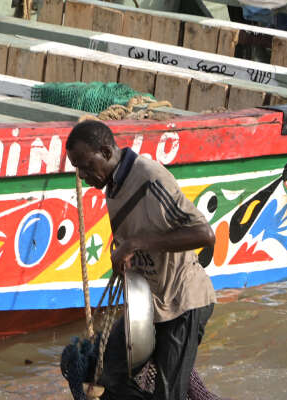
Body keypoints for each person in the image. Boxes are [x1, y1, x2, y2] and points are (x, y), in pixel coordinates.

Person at [65, 119, 216, 400]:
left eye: (86, 165)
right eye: (77, 168)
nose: (83, 176)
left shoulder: (149, 176)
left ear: (107, 152)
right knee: (94, 371)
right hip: (147, 306)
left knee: (169, 395)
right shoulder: (112, 186)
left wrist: (135, 244)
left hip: (181, 302)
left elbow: (204, 235)